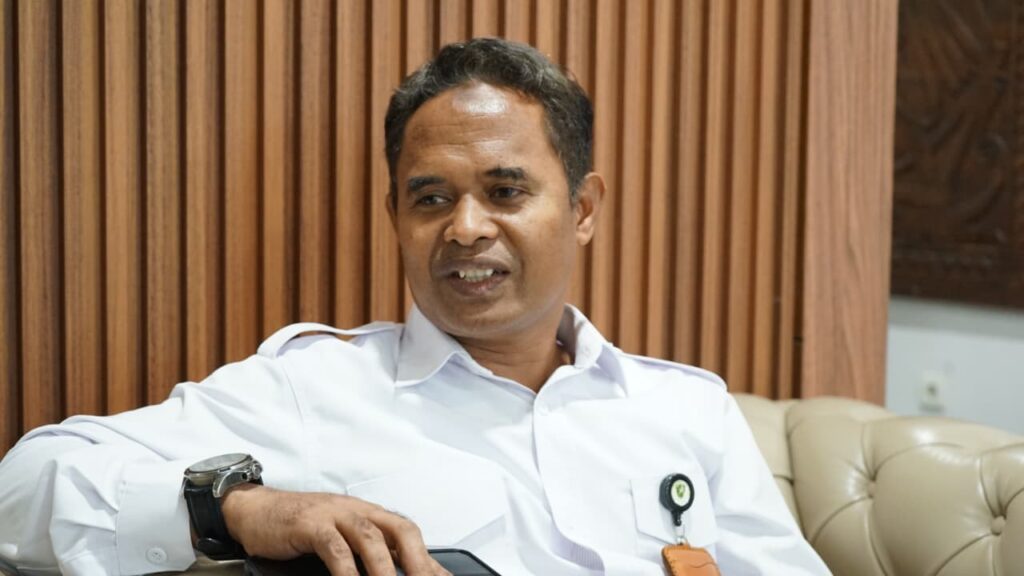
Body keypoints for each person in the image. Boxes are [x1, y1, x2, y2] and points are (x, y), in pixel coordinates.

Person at [0, 38, 830, 576]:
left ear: (583, 209)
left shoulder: (686, 408)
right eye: (431, 198)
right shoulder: (315, 387)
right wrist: (237, 507)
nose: (466, 228)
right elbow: (23, 487)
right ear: (395, 215)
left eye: (505, 191)